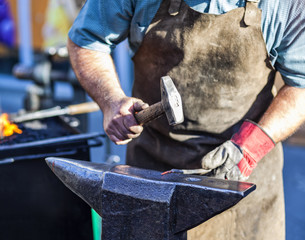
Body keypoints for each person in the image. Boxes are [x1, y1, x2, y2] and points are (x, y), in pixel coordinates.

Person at [67, 0, 305, 239]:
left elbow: (301, 85)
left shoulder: (284, 4)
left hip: (242, 181)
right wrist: (110, 100)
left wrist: (250, 148)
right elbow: (87, 40)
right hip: (152, 174)